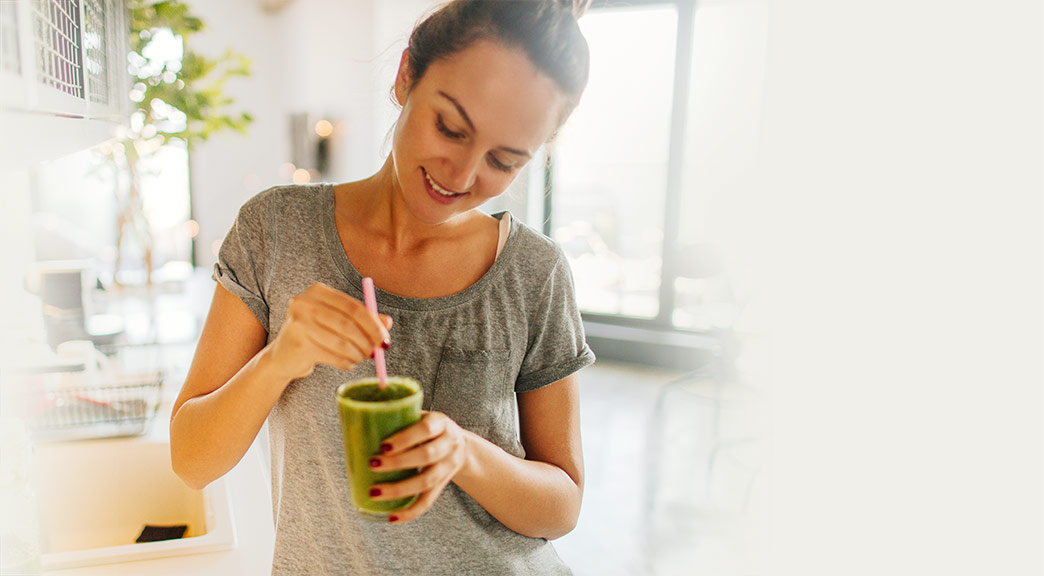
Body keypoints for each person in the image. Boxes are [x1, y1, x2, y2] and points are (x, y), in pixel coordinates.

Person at [170, 1, 595, 573]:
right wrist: (280, 359)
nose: (462, 175)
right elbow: (192, 461)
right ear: (405, 75)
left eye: (503, 161)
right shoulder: (275, 231)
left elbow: (562, 507)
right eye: (450, 128)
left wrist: (463, 452)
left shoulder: (534, 272)